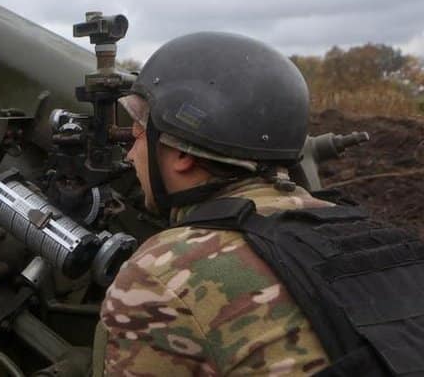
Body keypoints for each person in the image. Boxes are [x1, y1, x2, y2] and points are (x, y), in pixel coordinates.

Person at [95, 31, 334, 375]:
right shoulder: (365, 235)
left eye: (137, 134)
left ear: (180, 153)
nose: (131, 155)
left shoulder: (164, 277)